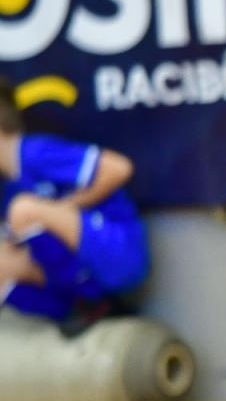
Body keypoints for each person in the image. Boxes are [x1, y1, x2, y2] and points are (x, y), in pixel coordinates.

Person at [0, 76, 150, 335]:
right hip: (78, 266)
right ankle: (69, 311)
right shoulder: (6, 181)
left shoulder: (33, 152)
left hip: (117, 248)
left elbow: (118, 168)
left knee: (24, 210)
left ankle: (97, 302)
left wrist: (62, 207)